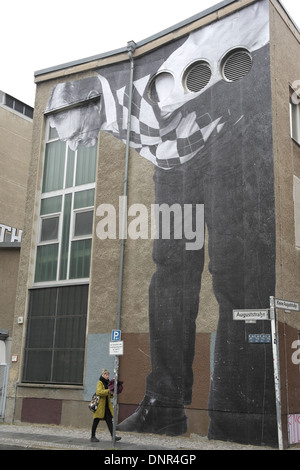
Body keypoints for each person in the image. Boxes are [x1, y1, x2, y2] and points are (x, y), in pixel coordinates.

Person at [91, 368, 121, 442]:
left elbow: (109, 396)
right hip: (100, 406)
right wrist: (108, 391)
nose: (107, 376)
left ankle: (113, 436)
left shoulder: (108, 383)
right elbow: (99, 392)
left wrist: (111, 393)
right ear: (103, 375)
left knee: (109, 421)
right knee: (96, 420)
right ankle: (92, 436)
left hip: (106, 406)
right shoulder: (100, 383)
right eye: (106, 375)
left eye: (108, 375)